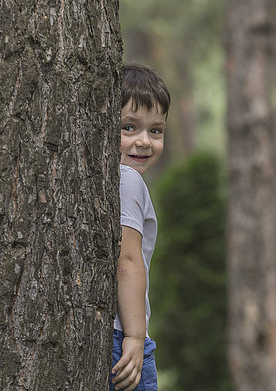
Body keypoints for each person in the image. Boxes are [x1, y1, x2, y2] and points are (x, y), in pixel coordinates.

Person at [110, 63, 170, 391]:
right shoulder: (128, 179)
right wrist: (134, 336)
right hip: (125, 341)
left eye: (156, 130)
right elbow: (127, 261)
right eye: (129, 128)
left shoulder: (115, 179)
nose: (144, 142)